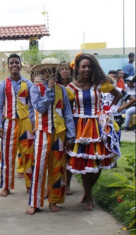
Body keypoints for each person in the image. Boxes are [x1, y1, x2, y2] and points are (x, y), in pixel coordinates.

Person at [66, 53, 122, 211]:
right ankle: (89, 197)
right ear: (77, 68)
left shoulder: (100, 84)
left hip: (99, 126)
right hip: (79, 127)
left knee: (99, 163)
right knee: (84, 162)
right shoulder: (70, 87)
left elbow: (118, 94)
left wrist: (108, 111)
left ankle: (88, 192)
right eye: (83, 66)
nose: (87, 69)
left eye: (90, 66)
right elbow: (68, 109)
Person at [26, 58, 75, 215]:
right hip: (42, 133)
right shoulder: (36, 89)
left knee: (57, 168)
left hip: (59, 134)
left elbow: (67, 113)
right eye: (47, 70)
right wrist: (49, 90)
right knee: (39, 167)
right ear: (42, 72)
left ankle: (54, 201)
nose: (51, 73)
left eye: (54, 70)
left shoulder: (62, 90)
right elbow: (39, 107)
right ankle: (35, 202)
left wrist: (71, 135)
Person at [0, 53, 35, 197]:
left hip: (26, 123)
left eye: (16, 62)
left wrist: (33, 122)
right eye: (11, 63)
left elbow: (32, 105)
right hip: (9, 123)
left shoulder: (28, 84)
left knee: (28, 155)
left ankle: (30, 185)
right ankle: (6, 186)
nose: (14, 65)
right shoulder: (2, 85)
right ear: (8, 66)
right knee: (8, 156)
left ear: (20, 65)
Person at [56, 61, 74, 195]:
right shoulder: (54, 86)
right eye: (61, 69)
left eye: (66, 69)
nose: (64, 71)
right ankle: (54, 184)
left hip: (73, 120)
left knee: (69, 154)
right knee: (56, 155)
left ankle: (67, 183)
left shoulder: (73, 85)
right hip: (57, 123)